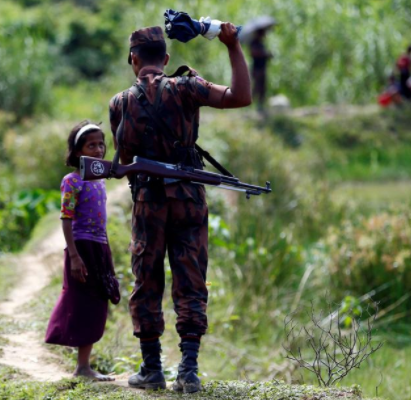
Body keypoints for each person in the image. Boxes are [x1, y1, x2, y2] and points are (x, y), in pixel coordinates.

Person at [108, 23, 251, 392]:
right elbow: (241, 96)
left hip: (147, 202)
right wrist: (232, 45)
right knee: (191, 280)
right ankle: (188, 369)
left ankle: (152, 368)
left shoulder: (119, 103)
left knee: (146, 279)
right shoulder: (187, 87)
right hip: (189, 199)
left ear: (133, 59)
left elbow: (123, 158)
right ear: (167, 58)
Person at [45, 121, 120, 381]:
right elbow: (66, 219)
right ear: (78, 151)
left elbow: (102, 221)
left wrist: (107, 253)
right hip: (82, 248)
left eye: (101, 144)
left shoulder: (99, 180)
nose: (98, 149)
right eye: (91, 145)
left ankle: (84, 366)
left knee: (98, 303)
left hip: (99, 247)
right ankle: (82, 367)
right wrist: (74, 256)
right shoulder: (72, 181)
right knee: (82, 302)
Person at [249, 28, 273, 114]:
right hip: (257, 69)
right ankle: (249, 104)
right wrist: (265, 54)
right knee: (256, 87)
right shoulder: (254, 42)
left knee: (262, 88)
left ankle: (260, 106)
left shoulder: (260, 43)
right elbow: (253, 53)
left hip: (262, 68)